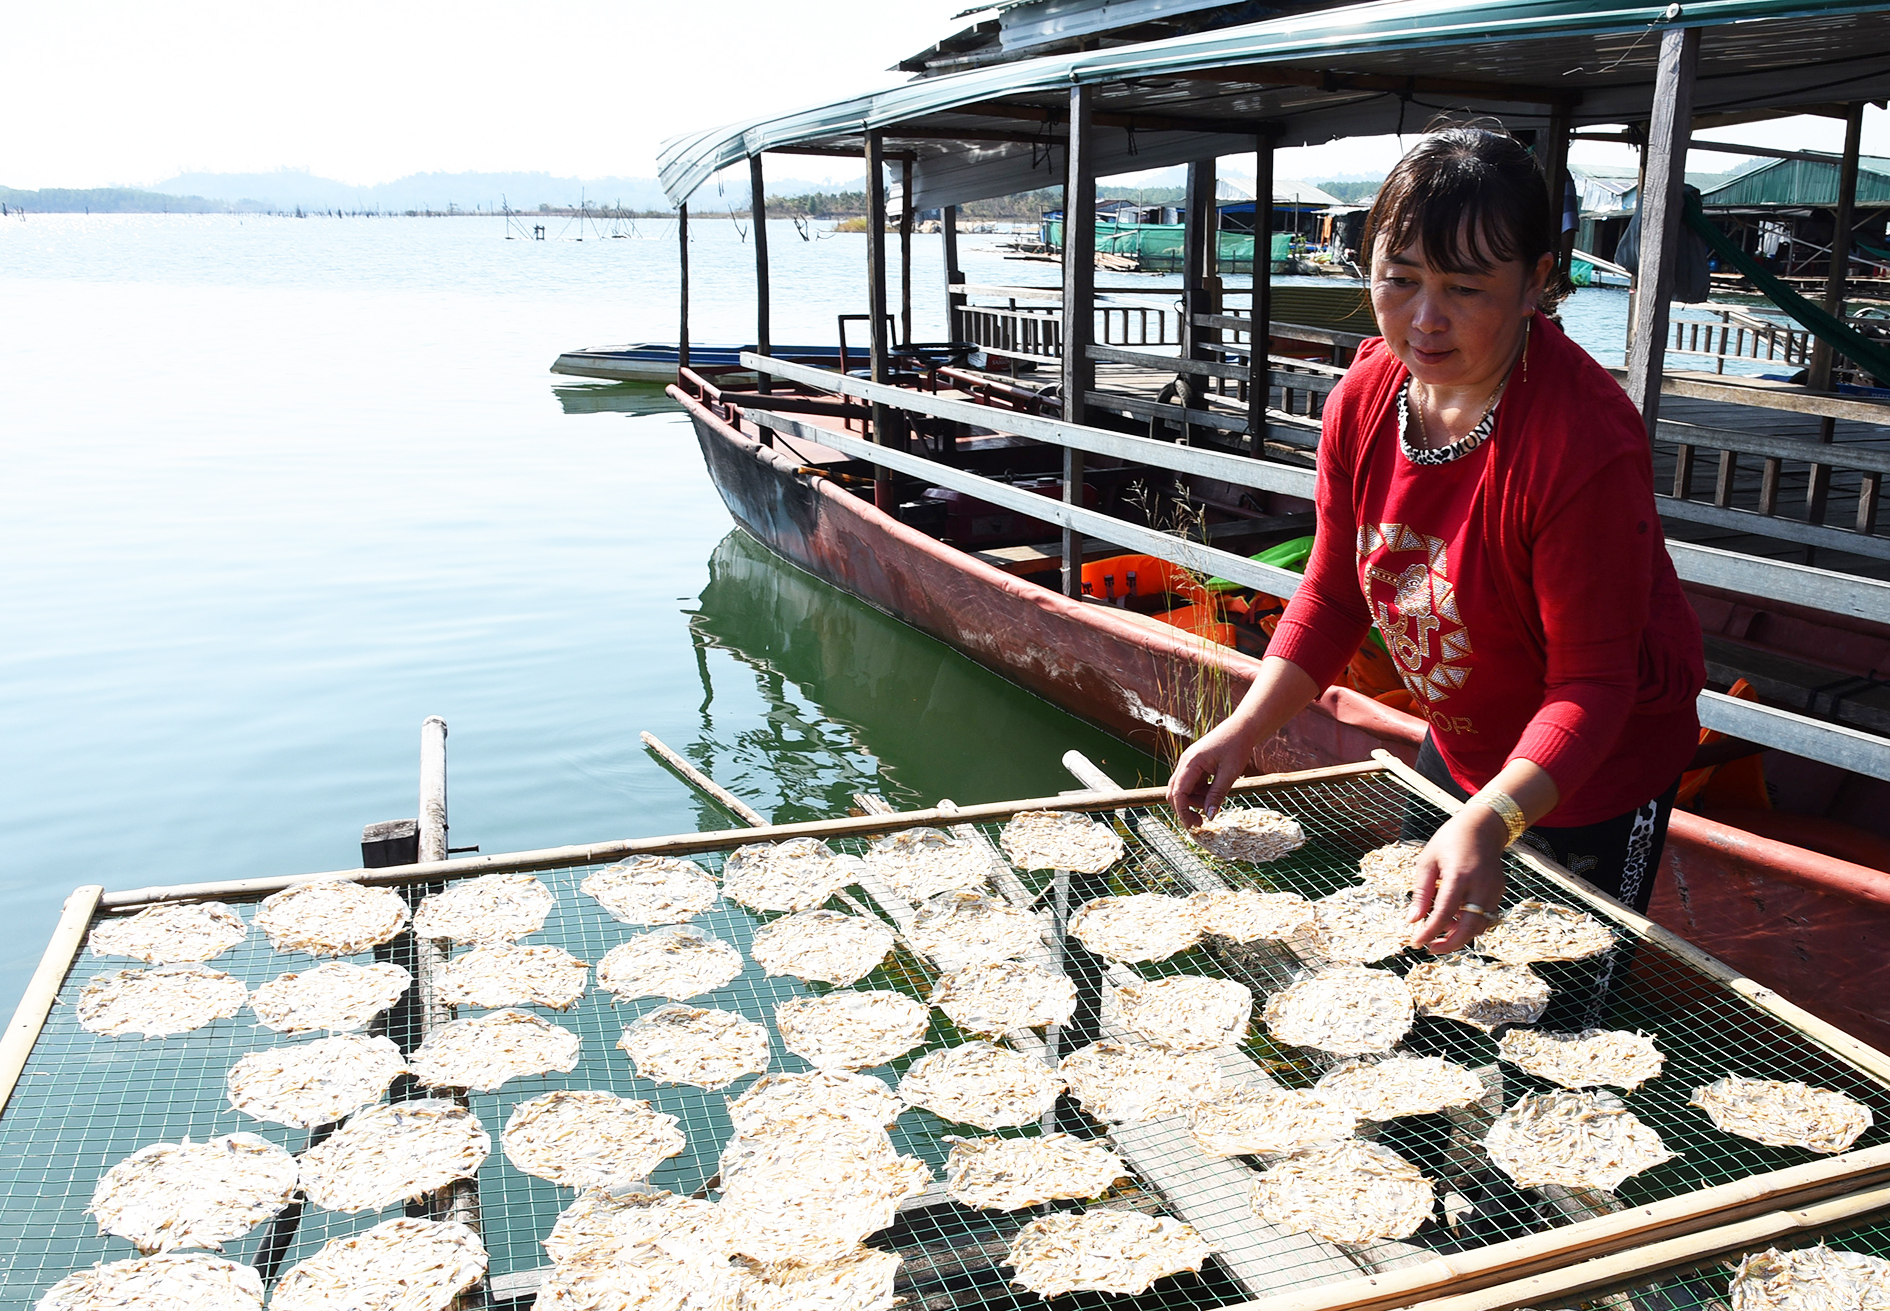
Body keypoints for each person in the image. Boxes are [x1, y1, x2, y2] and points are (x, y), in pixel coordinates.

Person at [1169, 126, 1705, 954]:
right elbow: (1333, 591)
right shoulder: (1363, 397)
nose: (1424, 319)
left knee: (1555, 1028)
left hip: (1594, 771)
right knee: (1423, 982)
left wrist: (1495, 819)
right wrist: (1242, 728)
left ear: (1537, 283)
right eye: (1400, 278)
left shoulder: (1581, 442)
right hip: (1458, 743)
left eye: (1464, 287)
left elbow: (1594, 686)